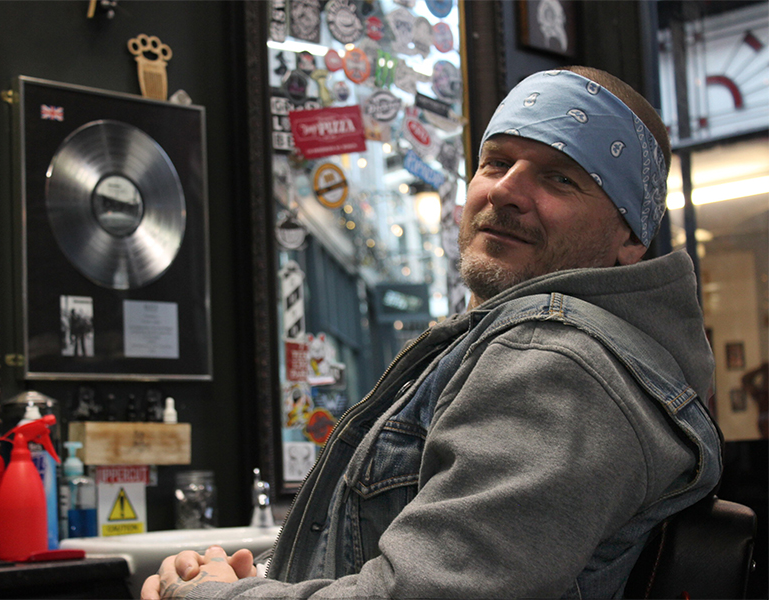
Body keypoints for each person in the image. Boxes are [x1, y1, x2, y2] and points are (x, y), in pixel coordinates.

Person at [142, 66, 722, 599]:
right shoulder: (520, 348)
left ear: (631, 238)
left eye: (560, 178)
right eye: (495, 163)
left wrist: (208, 596)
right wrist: (253, 582)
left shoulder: (556, 364)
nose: (505, 191)